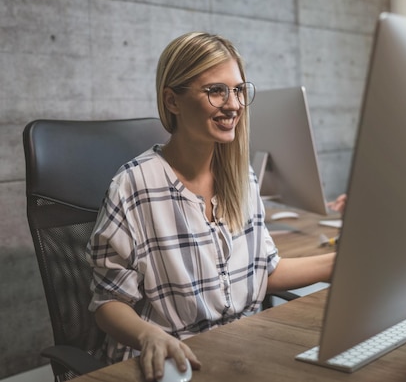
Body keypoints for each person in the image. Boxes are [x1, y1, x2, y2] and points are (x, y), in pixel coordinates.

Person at [87, 32, 335, 381]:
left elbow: (264, 271)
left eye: (237, 90)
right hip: (173, 360)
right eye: (216, 90)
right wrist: (149, 335)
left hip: (240, 351)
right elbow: (108, 302)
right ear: (172, 101)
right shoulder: (134, 186)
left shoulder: (241, 177)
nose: (233, 104)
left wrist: (341, 264)